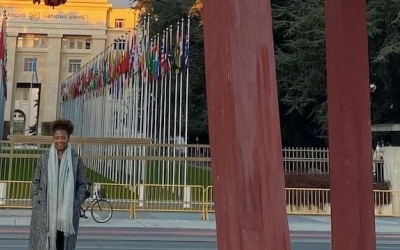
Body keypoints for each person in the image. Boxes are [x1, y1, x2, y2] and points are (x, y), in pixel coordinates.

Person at [29, 119, 88, 250]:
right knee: (44, 244)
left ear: (68, 138)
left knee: (63, 245)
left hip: (66, 213)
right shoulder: (44, 157)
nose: (59, 141)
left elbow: (82, 184)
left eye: (63, 137)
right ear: (53, 138)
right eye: (57, 138)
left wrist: (76, 202)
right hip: (45, 210)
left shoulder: (75, 159)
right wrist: (36, 198)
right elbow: (36, 181)